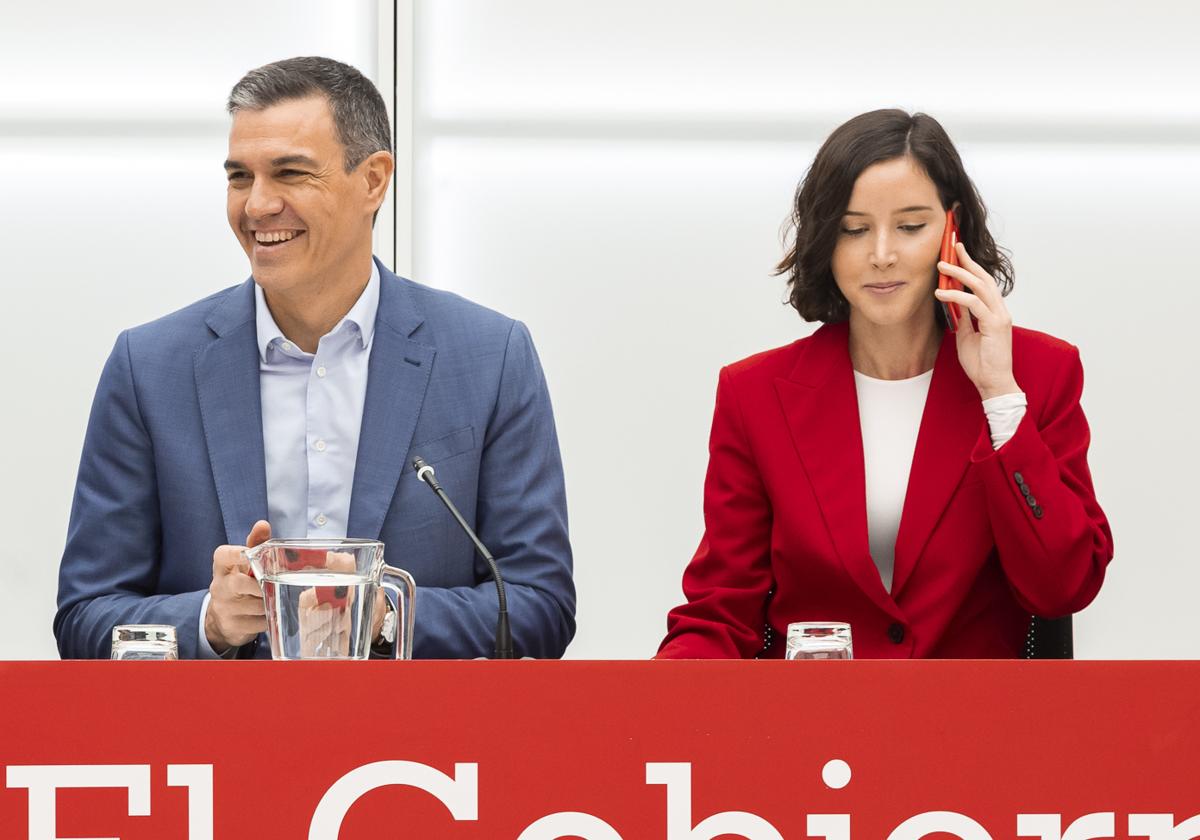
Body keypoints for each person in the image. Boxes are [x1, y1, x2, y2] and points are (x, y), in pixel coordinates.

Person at [55, 57, 575, 660]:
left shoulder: (488, 357)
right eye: (239, 177)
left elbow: (540, 605)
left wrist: (384, 611)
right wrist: (208, 620)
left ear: (374, 180)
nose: (257, 206)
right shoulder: (149, 367)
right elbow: (84, 616)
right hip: (214, 744)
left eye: (290, 173)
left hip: (413, 751)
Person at [657, 110, 1113, 659]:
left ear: (952, 229)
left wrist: (998, 395)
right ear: (827, 239)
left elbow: (1063, 585)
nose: (880, 254)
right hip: (814, 732)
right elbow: (720, 610)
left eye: (910, 226)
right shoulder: (754, 393)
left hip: (975, 731)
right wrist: (652, 716)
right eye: (853, 229)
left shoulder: (1038, 373)